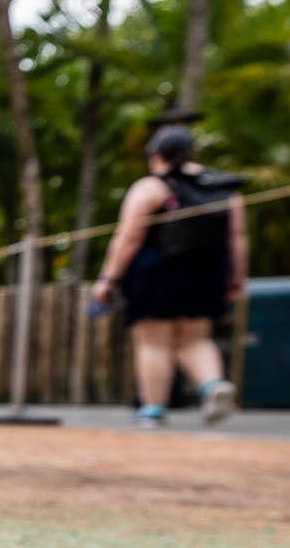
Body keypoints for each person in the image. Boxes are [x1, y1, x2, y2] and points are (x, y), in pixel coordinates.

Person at [90, 126, 244, 427]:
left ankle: (153, 408)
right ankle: (213, 384)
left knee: (153, 341)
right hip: (209, 271)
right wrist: (237, 276)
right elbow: (237, 238)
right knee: (195, 338)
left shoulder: (152, 187)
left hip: (158, 271)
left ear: (156, 155)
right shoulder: (221, 187)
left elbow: (128, 238)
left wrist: (108, 279)